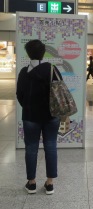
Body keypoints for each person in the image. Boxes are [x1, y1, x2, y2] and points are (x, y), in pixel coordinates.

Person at [16, 39, 62, 195]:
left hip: (30, 116)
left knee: (31, 148)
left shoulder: (24, 72)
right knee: (50, 145)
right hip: (52, 115)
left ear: (28, 53)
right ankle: (50, 184)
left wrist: (28, 106)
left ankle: (32, 183)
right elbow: (60, 92)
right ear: (44, 52)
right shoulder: (52, 69)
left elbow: (19, 95)